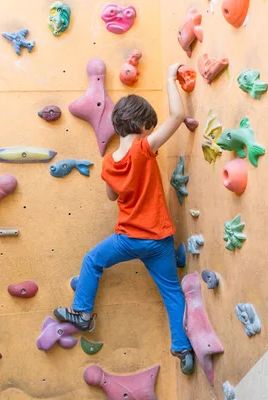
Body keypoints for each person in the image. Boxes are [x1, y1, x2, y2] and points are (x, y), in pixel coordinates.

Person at [53, 63, 194, 374]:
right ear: (144, 126)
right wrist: (170, 77)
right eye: (150, 125)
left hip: (128, 240)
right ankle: (182, 349)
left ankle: (82, 312)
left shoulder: (108, 162)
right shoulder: (145, 149)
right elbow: (177, 117)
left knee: (92, 261)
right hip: (158, 239)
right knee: (171, 291)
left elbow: (111, 196)